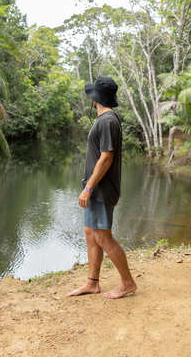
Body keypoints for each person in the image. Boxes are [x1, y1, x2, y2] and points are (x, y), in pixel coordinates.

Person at [68, 76, 137, 299]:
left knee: (103, 236)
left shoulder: (107, 121)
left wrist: (88, 188)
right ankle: (92, 282)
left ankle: (127, 283)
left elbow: (106, 158)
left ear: (95, 98)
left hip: (101, 189)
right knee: (91, 234)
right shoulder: (104, 119)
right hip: (95, 188)